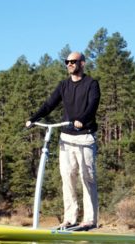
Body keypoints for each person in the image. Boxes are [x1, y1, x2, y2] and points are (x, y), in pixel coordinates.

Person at [26, 51, 101, 231]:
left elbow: (93, 104)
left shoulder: (91, 84)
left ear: (82, 63)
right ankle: (70, 218)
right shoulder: (63, 85)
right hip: (66, 138)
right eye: (67, 62)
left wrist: (82, 119)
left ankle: (90, 219)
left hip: (85, 137)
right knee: (67, 178)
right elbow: (49, 104)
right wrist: (33, 118)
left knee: (86, 177)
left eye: (73, 62)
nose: (69, 64)